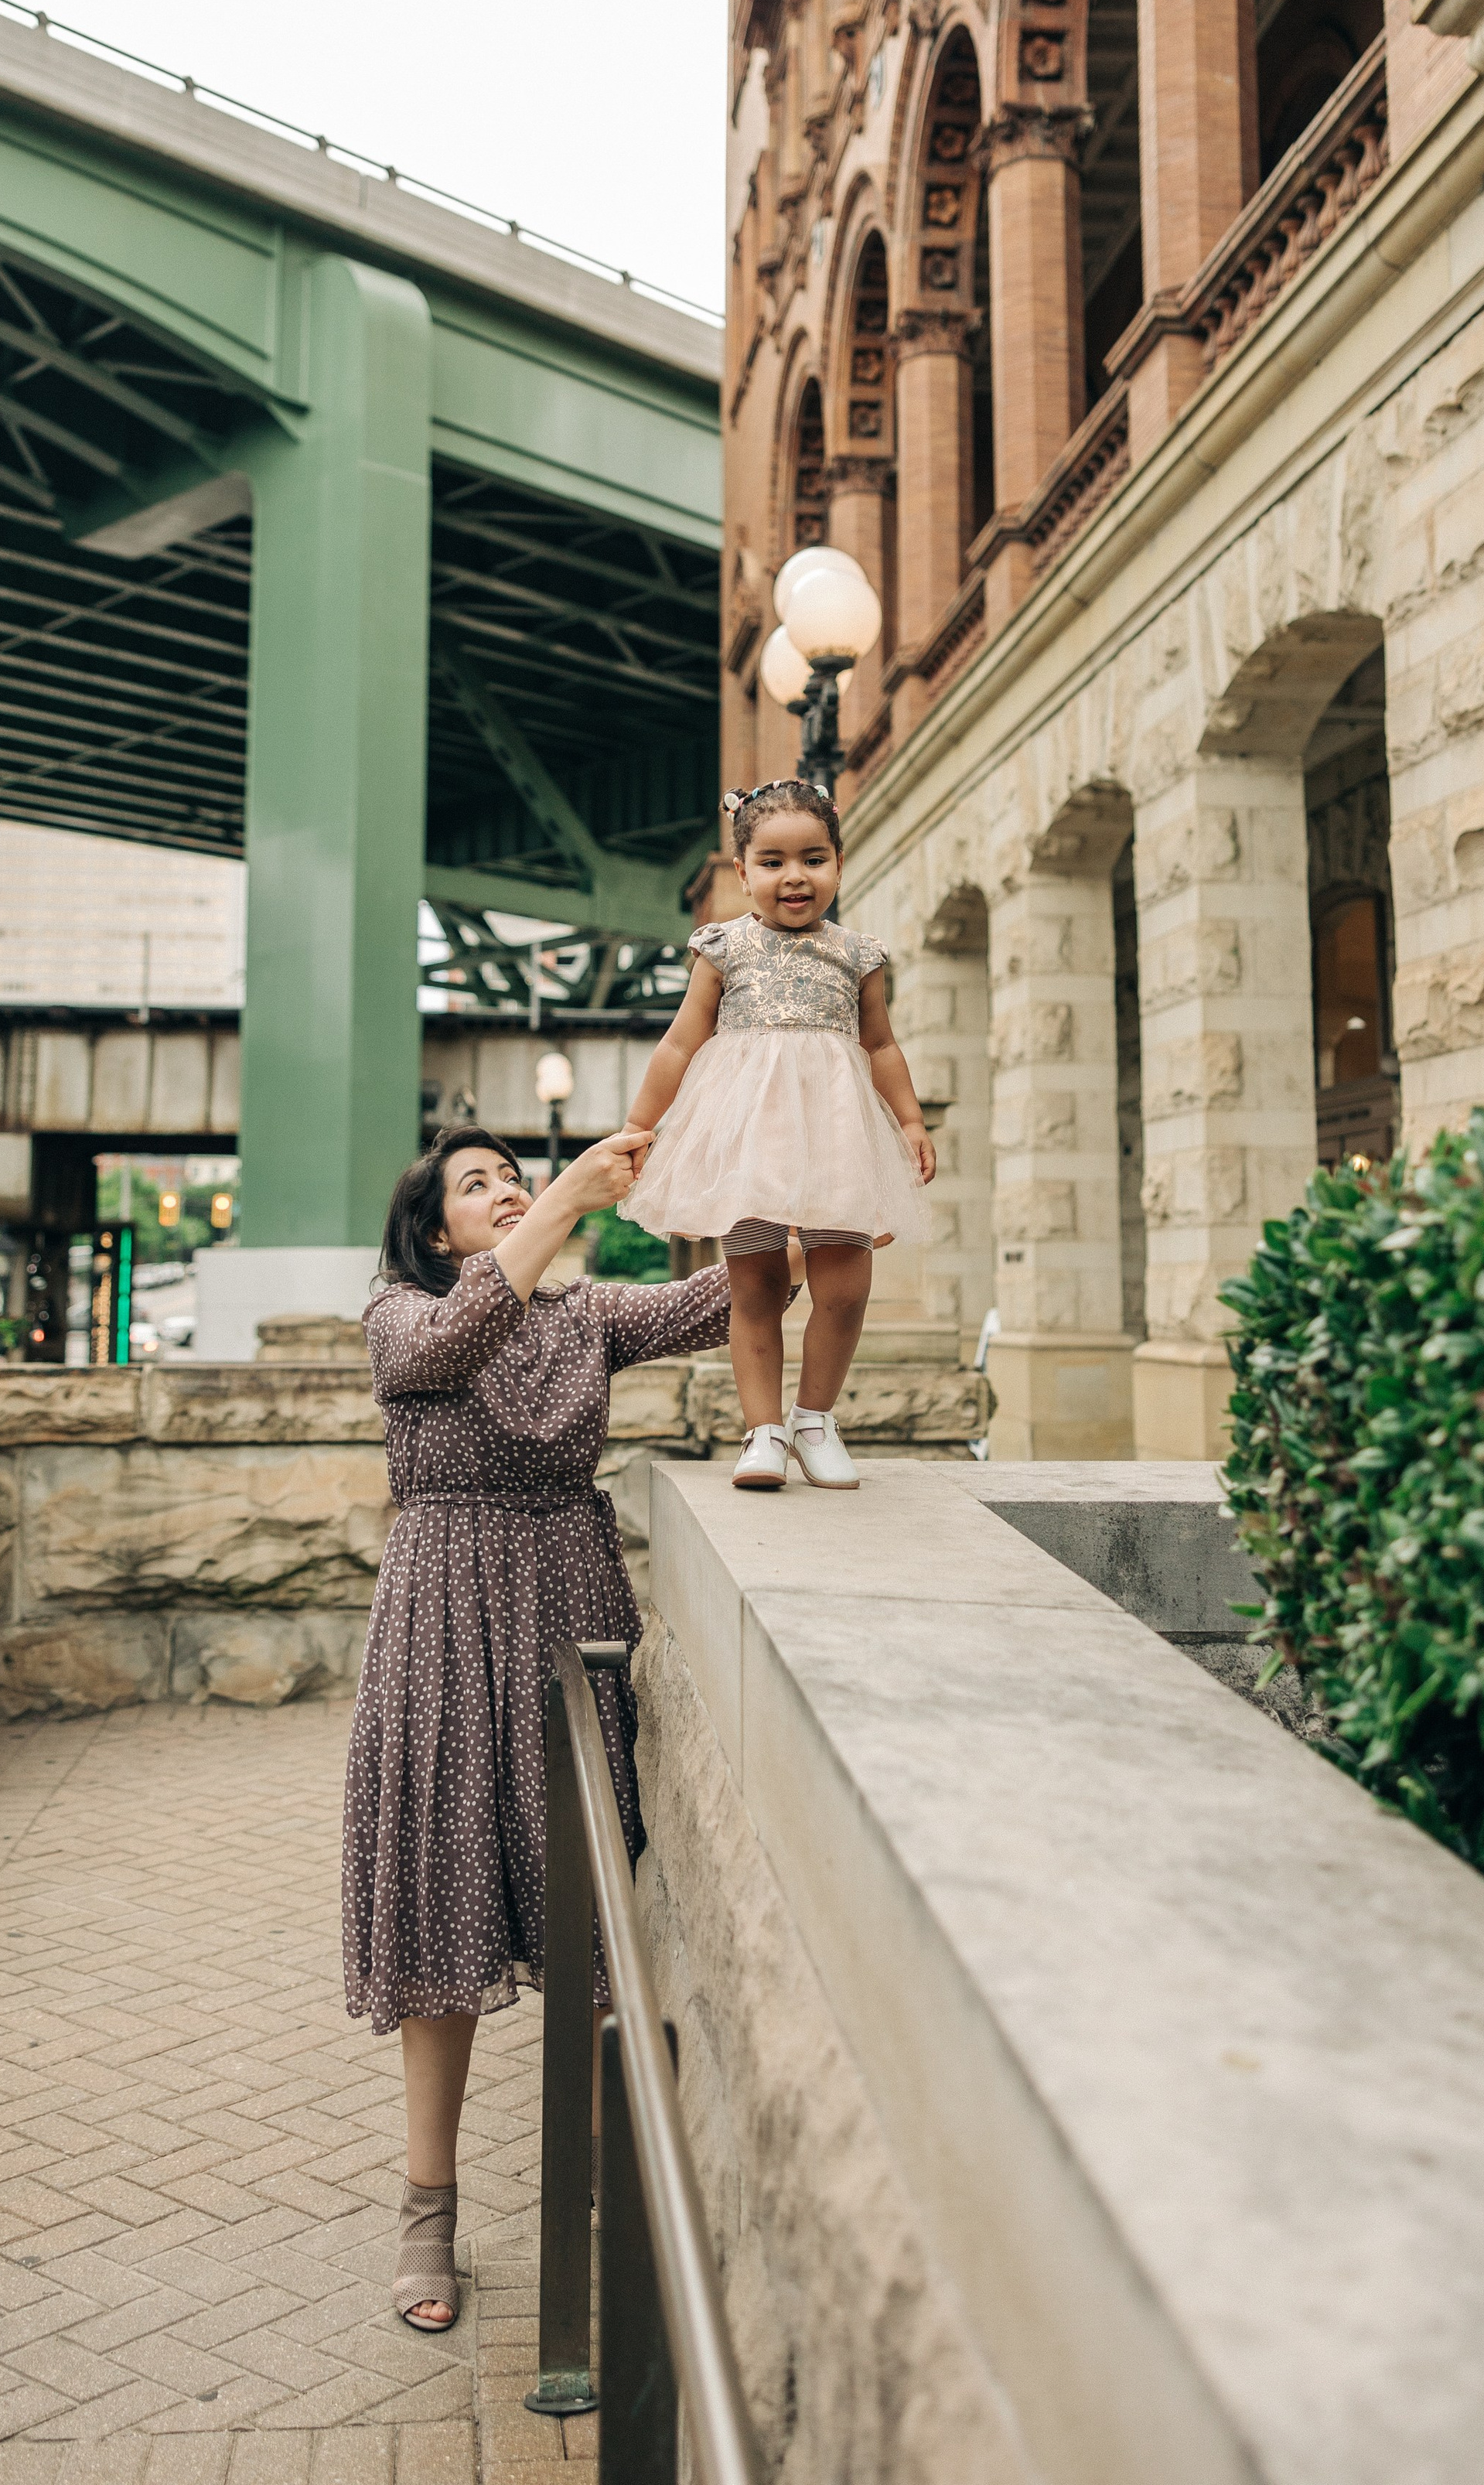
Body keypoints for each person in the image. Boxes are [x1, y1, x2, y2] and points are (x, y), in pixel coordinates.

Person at [342, 1121, 735, 2333]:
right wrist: (566, 1196)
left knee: (596, 1896)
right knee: (444, 1904)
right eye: (481, 1185)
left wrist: (795, 1196)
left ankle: (618, 2169)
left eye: (516, 1178)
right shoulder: (401, 1314)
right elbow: (461, 1336)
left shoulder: (584, 1315)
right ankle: (427, 2213)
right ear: (434, 1228)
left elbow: (724, 1300)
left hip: (569, 1610)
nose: (508, 1191)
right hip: (443, 1631)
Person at [619, 777, 935, 1491]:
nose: (795, 876)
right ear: (742, 872)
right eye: (772, 862)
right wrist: (640, 1125)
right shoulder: (723, 948)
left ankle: (814, 1420)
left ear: (839, 864)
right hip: (750, 1142)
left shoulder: (857, 954)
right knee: (757, 1288)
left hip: (838, 1139)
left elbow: (881, 1046)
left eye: (813, 859)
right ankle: (763, 1431)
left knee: (846, 1287)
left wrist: (910, 1120)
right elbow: (679, 1044)